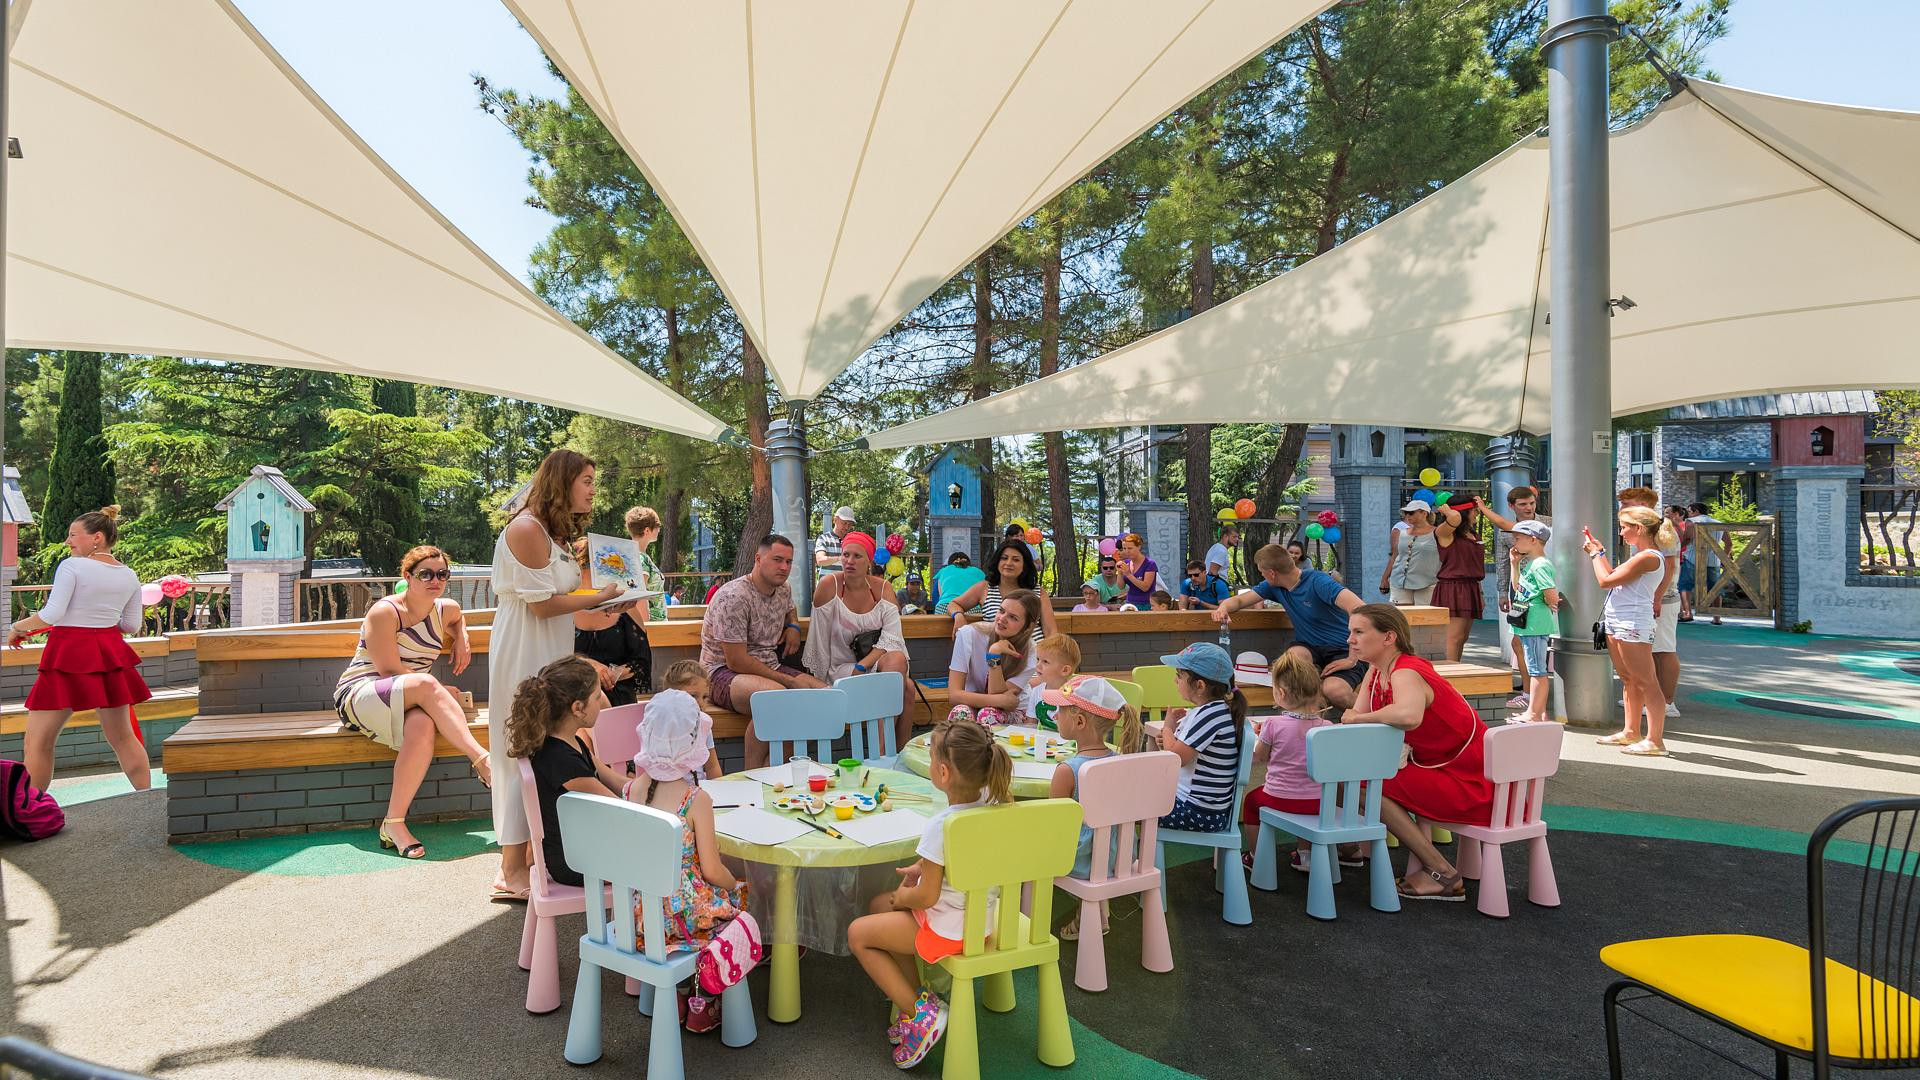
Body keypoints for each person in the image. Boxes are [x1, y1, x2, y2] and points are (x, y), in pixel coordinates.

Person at [488, 449, 624, 902]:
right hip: (524, 646)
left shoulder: (552, 533)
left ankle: (532, 854)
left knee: (548, 745)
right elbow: (542, 605)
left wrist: (609, 607)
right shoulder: (527, 529)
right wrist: (597, 596)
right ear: (562, 481)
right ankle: (510, 870)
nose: (592, 490)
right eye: (586, 480)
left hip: (550, 646)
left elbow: (566, 608)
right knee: (521, 747)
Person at [847, 720, 1012, 1069]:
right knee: (877, 904)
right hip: (978, 919)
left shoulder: (942, 824)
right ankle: (920, 996)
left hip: (949, 927)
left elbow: (926, 898)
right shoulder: (990, 801)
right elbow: (960, 854)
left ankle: (919, 1016)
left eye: (933, 754)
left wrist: (903, 898)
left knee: (858, 934)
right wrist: (923, 867)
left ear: (942, 772)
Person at [335, 545, 492, 859]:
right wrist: (435, 688)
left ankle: (393, 823)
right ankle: (482, 761)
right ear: (407, 576)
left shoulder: (445, 609)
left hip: (412, 695)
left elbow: (457, 618)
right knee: (427, 684)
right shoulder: (385, 611)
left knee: (422, 727)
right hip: (362, 692)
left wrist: (461, 636)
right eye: (426, 574)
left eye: (442, 574)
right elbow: (388, 670)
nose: (436, 580)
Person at [1339, 604, 1494, 901]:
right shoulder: (1379, 669)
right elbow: (1355, 720)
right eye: (1350, 632)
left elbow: (1408, 716)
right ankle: (1348, 846)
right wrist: (1355, 718)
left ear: (1389, 638)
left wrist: (1359, 718)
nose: (1350, 639)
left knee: (1363, 786)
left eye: (1359, 632)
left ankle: (1441, 871)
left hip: (1469, 781)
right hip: (1444, 769)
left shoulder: (1407, 671)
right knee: (1346, 780)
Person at [8, 506, 150, 793]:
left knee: (38, 742)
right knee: (123, 738)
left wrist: (17, 627)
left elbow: (52, 614)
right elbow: (131, 625)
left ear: (97, 537)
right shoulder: (129, 575)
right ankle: (147, 799)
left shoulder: (72, 566)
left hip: (69, 654)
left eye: (73, 535)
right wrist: (100, 619)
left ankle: (32, 809)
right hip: (109, 653)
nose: (67, 541)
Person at [624, 689, 749, 953]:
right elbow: (712, 871)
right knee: (745, 895)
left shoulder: (633, 789)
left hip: (640, 913)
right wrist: (735, 886)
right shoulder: (695, 799)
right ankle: (717, 973)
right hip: (683, 918)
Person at [700, 534, 828, 769]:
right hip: (721, 672)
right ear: (758, 559)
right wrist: (789, 681)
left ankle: (776, 768)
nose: (784, 567)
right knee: (776, 699)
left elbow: (790, 608)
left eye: (788, 562)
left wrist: (793, 626)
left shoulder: (783, 589)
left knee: (828, 698)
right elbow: (736, 661)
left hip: (769, 666)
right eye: (777, 560)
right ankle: (754, 772)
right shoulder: (734, 597)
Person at [506, 655, 627, 888]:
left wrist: (656, 784)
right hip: (577, 862)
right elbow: (620, 807)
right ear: (578, 708)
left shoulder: (572, 741)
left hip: (588, 848)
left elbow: (616, 782)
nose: (602, 703)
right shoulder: (560, 759)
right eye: (597, 697)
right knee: (668, 858)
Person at [1240, 652, 1361, 872]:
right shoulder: (1326, 727)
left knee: (1250, 802)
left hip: (1278, 798)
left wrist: (1260, 738)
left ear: (1281, 693)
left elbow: (1260, 757)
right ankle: (1305, 855)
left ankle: (1256, 856)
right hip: (1319, 803)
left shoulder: (1273, 724)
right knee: (1308, 795)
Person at [1210, 544, 1368, 709]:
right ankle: (1300, 720)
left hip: (1343, 649)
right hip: (1309, 648)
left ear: (1272, 573)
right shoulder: (1274, 586)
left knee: (1334, 691)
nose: (1262, 575)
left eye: (1262, 572)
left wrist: (1352, 658)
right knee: (1291, 664)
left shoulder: (1318, 581)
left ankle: (1371, 717)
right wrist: (1223, 608)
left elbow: (1360, 608)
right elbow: (1240, 600)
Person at [1046, 675, 1144, 939]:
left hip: (1084, 861)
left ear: (1079, 722)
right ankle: (1091, 913)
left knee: (1028, 846)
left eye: (1060, 710)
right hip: (1122, 855)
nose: (1054, 715)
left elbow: (1054, 826)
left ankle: (1029, 924)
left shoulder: (1067, 770)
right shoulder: (1123, 762)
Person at [806, 530, 914, 752]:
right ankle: (887, 756)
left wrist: (863, 665)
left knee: (899, 667)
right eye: (846, 555)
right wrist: (820, 683)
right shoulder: (829, 586)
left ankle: (886, 754)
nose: (849, 561)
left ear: (869, 561)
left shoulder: (883, 588)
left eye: (857, 556)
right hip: (840, 669)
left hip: (872, 665)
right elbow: (818, 638)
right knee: (907, 688)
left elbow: (893, 638)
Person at [1586, 507, 1674, 756]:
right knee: (1629, 679)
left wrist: (1595, 555)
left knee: (1647, 682)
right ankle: (1631, 731)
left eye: (1624, 527)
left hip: (1633, 623)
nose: (1622, 532)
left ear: (1639, 528)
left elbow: (1605, 581)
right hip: (1620, 622)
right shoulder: (1641, 556)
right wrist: (1600, 553)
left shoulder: (1648, 557)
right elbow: (1611, 576)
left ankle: (1655, 741)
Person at [1147, 642, 1245, 834]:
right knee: (1138, 797)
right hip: (1207, 811)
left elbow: (1176, 758)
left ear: (1199, 685)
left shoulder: (1208, 715)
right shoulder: (1218, 710)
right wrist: (1170, 738)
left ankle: (1128, 851)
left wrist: (1167, 728)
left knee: (1131, 806)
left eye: (1179, 676)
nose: (1175, 681)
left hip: (1196, 812)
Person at [1480, 485, 1552, 708]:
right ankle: (1530, 693)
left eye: (1531, 503)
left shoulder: (1547, 525)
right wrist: (1503, 592)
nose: (1528, 507)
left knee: (1531, 644)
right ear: (1512, 506)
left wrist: (1482, 507)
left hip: (1542, 592)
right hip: (1521, 590)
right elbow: (1502, 563)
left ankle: (1533, 696)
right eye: (1522, 504)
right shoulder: (1506, 533)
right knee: (1520, 642)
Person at [1621, 488, 1683, 722]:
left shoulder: (1662, 529)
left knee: (1664, 650)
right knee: (1650, 651)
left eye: (1628, 504)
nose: (1623, 508)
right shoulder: (1643, 528)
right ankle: (1648, 698)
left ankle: (1667, 702)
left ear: (1645, 504)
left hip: (1662, 600)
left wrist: (1657, 597)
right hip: (1649, 599)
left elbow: (1669, 566)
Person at [944, 590, 1042, 727]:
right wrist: (1000, 700)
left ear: (1028, 626)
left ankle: (993, 743)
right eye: (1001, 611)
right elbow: (954, 696)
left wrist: (994, 655)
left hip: (1013, 711)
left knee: (988, 715)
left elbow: (997, 696)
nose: (1002, 619)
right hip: (973, 703)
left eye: (1013, 617)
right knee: (960, 712)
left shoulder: (1030, 651)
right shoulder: (968, 634)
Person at [943, 537, 1058, 642]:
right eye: (1004, 558)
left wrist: (1049, 655)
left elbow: (1051, 632)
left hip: (1036, 653)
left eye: (1016, 560)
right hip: (999, 654)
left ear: (1025, 565)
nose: (1009, 563)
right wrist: (958, 616)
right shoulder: (984, 588)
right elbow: (954, 604)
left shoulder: (1038, 591)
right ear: (997, 561)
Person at [1505, 521, 1560, 724]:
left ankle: (1534, 713)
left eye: (1518, 538)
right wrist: (1514, 564)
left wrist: (1550, 602)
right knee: (1534, 668)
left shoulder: (1540, 565)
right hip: (1529, 623)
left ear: (1533, 540)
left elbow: (1551, 593)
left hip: (1534, 624)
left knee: (1536, 670)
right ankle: (1538, 711)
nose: (1515, 542)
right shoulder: (1532, 564)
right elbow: (1518, 587)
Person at [1430, 494, 1486, 661]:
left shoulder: (1473, 534)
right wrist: (1447, 510)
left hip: (1471, 586)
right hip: (1453, 588)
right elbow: (1454, 518)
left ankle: (1454, 670)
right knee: (1453, 638)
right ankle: (1449, 674)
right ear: (1464, 512)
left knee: (1462, 638)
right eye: (1474, 510)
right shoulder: (1444, 532)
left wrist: (1480, 593)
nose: (1477, 513)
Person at [658, 660, 724, 780]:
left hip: (699, 787)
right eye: (693, 696)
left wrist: (717, 788)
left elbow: (712, 767)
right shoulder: (661, 728)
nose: (701, 703)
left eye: (705, 697)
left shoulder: (703, 724)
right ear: (670, 697)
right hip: (670, 788)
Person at [1380, 499, 1440, 606]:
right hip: (1399, 581)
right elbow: (1395, 556)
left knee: (1424, 615)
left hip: (1427, 582)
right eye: (1405, 513)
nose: (1407, 515)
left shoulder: (1438, 533)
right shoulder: (1402, 533)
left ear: (1424, 513)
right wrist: (1384, 578)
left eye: (1411, 512)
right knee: (1402, 615)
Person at [1021, 633, 1080, 730]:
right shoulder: (1036, 691)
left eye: (1045, 662)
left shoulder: (1075, 694)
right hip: (1043, 738)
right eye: (1038, 659)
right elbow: (1031, 724)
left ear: (1065, 670)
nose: (1038, 665)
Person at [1687, 501, 1723, 624]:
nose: (1688, 514)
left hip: (1692, 559)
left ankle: (1687, 613)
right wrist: (1724, 558)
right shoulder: (1719, 523)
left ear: (1696, 511)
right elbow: (1729, 543)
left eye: (1689, 512)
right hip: (1714, 560)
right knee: (1715, 589)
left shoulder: (1691, 522)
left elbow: (1688, 539)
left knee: (1684, 586)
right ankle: (1717, 617)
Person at [1114, 533, 1158, 608]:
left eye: (1130, 548)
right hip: (1130, 603)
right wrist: (1120, 572)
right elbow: (1121, 587)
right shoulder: (1126, 563)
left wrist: (1128, 574)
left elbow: (1145, 587)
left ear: (1139, 547)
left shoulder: (1149, 563)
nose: (1127, 551)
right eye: (1124, 548)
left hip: (1147, 604)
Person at [1667, 506, 1696, 621]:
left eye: (1668, 513)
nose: (1665, 515)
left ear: (1676, 514)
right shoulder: (1670, 526)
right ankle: (1680, 612)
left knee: (1678, 585)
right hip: (1675, 557)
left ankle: (1683, 612)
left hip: (1681, 558)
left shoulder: (1684, 525)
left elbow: (1685, 539)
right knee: (1676, 585)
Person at [815, 505, 857, 579]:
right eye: (844, 523)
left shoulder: (852, 541)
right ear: (835, 520)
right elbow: (820, 560)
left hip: (846, 585)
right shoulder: (823, 538)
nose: (847, 527)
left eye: (850, 524)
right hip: (826, 585)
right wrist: (839, 559)